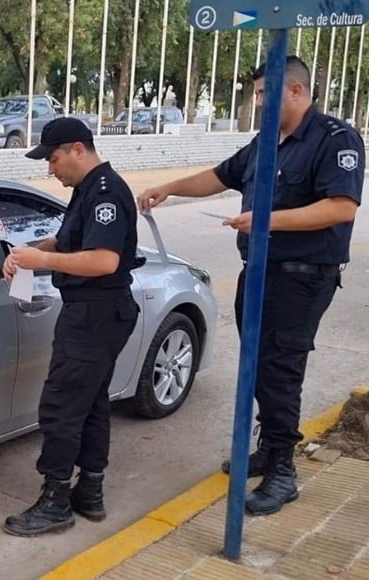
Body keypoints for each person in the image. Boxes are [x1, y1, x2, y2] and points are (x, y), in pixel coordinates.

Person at [137, 55, 363, 516]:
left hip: (301, 279)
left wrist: (265, 220)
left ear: (296, 92)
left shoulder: (335, 139)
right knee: (257, 366)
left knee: (280, 370)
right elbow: (221, 176)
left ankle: (283, 471)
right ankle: (270, 447)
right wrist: (169, 187)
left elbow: (341, 207)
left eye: (265, 93)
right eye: (257, 93)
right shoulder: (267, 142)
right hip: (257, 272)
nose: (258, 101)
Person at [2, 117, 142, 536]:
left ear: (78, 149)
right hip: (97, 312)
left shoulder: (106, 193)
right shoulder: (88, 190)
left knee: (62, 408)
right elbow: (70, 242)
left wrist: (41, 263)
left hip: (95, 313)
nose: (50, 168)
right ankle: (90, 492)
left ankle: (55, 501)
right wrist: (30, 250)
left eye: (54, 158)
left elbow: (104, 261)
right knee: (91, 403)